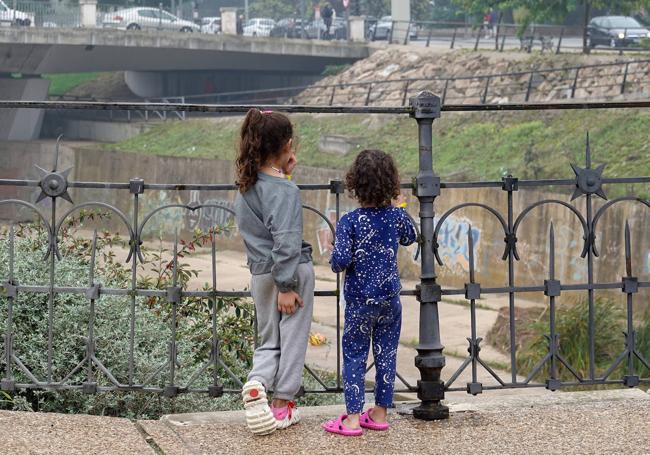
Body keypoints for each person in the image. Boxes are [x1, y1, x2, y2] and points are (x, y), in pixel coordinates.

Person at [322, 149, 417, 436]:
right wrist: (399, 205)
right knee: (386, 354)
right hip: (390, 301)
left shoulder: (350, 222)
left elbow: (339, 263)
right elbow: (411, 236)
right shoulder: (395, 217)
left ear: (355, 184)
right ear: (391, 184)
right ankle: (379, 413)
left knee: (354, 355)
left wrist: (337, 252)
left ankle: (351, 418)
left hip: (360, 303)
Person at [235, 109, 315, 436]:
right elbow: (285, 237)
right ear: (288, 144)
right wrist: (287, 284)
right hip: (289, 274)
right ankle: (282, 406)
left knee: (269, 339)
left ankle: (257, 383)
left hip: (260, 275)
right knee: (293, 337)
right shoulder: (284, 191)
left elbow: (267, 223)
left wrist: (284, 174)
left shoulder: (247, 184)